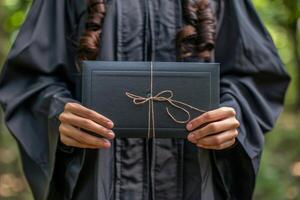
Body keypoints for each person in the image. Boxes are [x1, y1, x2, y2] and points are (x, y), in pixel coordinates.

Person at [0, 0, 290, 199]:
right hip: (98, 184)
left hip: (195, 184)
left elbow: (255, 76)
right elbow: (29, 80)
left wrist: (232, 114)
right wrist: (58, 115)